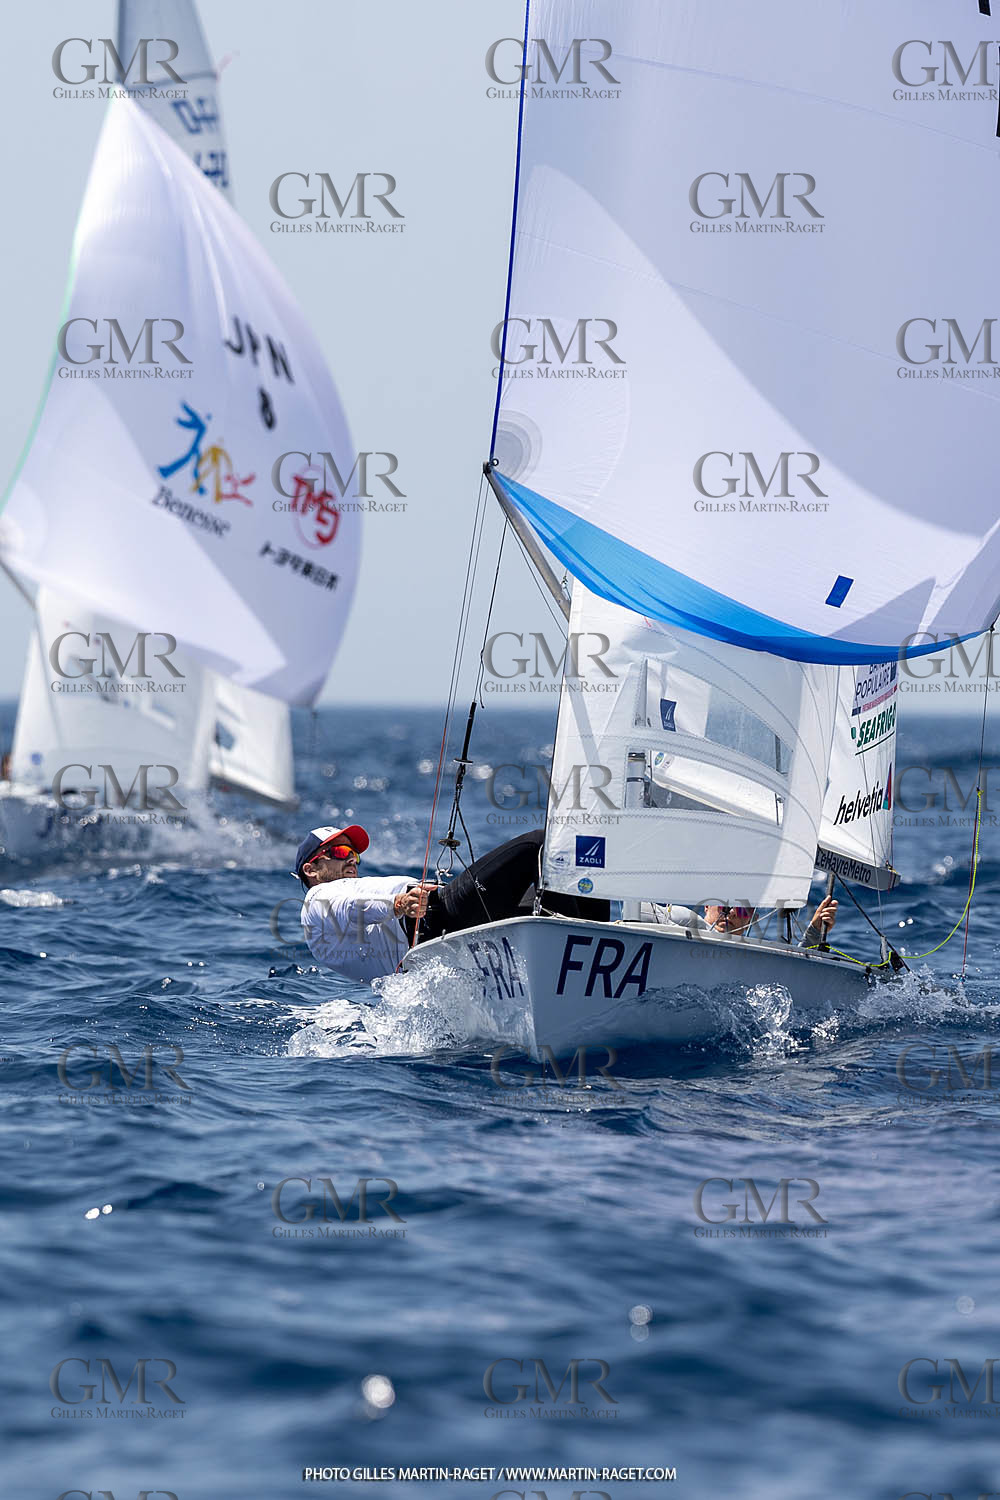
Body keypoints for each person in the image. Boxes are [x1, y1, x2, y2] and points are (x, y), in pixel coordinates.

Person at [294, 824, 609, 982]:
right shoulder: (317, 900)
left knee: (568, 876)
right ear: (311, 869)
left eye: (354, 854)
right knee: (542, 844)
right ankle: (596, 956)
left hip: (442, 937)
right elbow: (351, 906)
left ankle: (587, 960)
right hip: (435, 923)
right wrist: (398, 903)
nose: (351, 859)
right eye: (338, 853)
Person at [660, 896, 838, 948]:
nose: (731, 913)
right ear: (706, 905)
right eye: (724, 903)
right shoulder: (683, 917)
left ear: (753, 920)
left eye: (742, 908)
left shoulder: (753, 953)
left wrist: (815, 930)